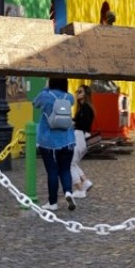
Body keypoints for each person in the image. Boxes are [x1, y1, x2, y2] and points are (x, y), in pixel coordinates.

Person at [32, 76, 79, 210]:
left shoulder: (45, 96)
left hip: (48, 142)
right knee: (65, 169)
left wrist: (46, 88)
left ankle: (53, 203)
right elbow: (72, 101)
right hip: (68, 141)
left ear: (51, 82)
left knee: (52, 171)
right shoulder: (68, 97)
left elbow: (35, 103)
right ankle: (68, 192)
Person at [70, 84, 96, 198]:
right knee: (73, 162)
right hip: (82, 137)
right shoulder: (83, 107)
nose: (77, 93)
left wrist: (73, 123)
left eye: (80, 91)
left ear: (86, 94)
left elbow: (83, 124)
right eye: (77, 91)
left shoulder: (85, 108)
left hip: (80, 137)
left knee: (69, 164)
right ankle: (85, 182)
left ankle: (80, 190)